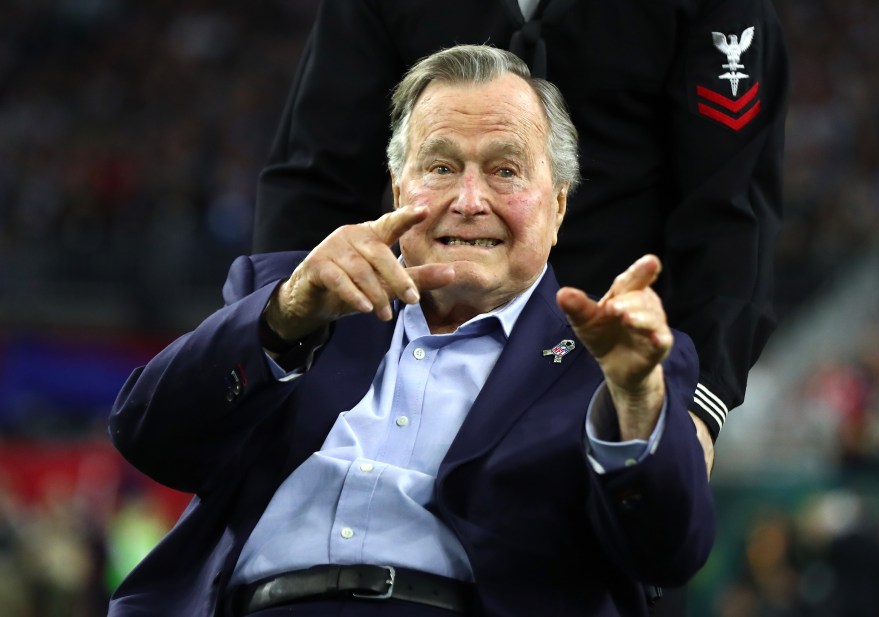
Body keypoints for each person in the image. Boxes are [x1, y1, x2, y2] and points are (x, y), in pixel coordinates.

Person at [108, 45, 714, 617]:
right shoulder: (293, 299)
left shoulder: (614, 358)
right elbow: (149, 438)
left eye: (504, 170)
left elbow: (666, 552)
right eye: (442, 167)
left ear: (558, 205)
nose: (469, 200)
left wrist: (635, 399)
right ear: (400, 190)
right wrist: (286, 314)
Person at [251, 0, 790, 474]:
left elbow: (730, 206)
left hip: (602, 385)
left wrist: (694, 403)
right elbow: (314, 182)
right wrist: (279, 339)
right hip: (401, 366)